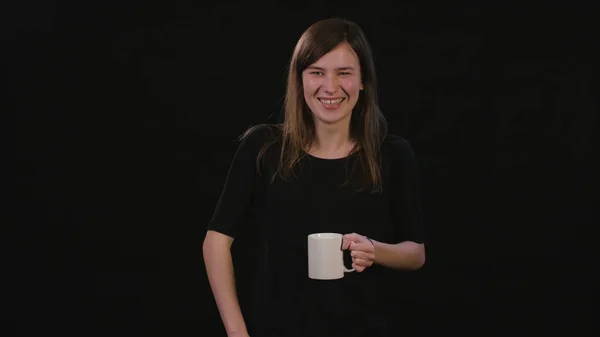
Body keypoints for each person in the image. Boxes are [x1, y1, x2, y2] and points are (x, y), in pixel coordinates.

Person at [202, 17, 426, 337]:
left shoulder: (393, 154)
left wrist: (375, 250)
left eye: (344, 73)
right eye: (317, 72)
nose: (330, 87)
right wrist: (238, 333)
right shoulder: (263, 147)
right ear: (300, 79)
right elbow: (216, 243)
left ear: (363, 81)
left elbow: (416, 253)